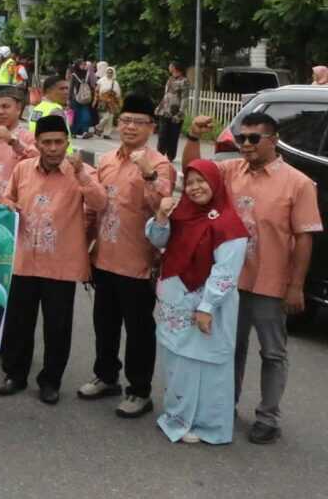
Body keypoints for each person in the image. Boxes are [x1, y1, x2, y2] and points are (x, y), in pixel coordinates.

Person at [183, 111, 323, 444]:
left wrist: (296, 286)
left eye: (253, 139)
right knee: (231, 347)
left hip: (271, 284)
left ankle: (268, 417)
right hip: (230, 281)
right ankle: (223, 405)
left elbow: (304, 237)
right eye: (241, 138)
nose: (245, 145)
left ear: (273, 140)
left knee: (273, 353)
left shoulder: (298, 183)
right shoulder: (231, 171)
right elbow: (192, 174)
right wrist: (192, 137)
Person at [0, 115, 107, 405]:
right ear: (38, 144)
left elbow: (100, 203)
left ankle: (50, 381)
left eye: (59, 142)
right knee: (19, 323)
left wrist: (81, 174)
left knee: (57, 328)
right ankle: (15, 375)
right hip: (25, 260)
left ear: (67, 143)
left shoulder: (80, 171)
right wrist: (8, 204)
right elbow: (7, 197)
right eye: (47, 142)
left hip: (62, 264)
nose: (54, 148)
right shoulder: (22, 169)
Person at [81, 93, 176, 418]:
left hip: (138, 262)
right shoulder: (106, 160)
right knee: (104, 323)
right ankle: (106, 376)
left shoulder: (160, 164)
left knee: (138, 331)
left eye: (139, 122)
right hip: (104, 257)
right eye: (125, 120)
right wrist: (85, 248)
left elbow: (161, 209)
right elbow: (94, 209)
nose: (130, 127)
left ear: (152, 127)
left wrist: (148, 173)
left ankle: (140, 390)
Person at [146, 160, 249, 444]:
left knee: (205, 363)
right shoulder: (180, 212)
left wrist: (206, 307)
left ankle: (205, 424)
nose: (195, 188)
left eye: (201, 181)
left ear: (215, 183)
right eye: (190, 182)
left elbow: (226, 271)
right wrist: (162, 217)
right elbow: (157, 240)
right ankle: (178, 416)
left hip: (208, 306)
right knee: (177, 362)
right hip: (176, 302)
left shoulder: (229, 223)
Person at [154, 62, 190, 162]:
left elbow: (185, 98)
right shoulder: (170, 79)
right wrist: (159, 106)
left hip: (175, 112)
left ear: (175, 68)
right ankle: (159, 154)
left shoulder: (184, 81)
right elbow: (166, 95)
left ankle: (170, 156)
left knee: (173, 135)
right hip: (164, 111)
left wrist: (181, 113)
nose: (169, 67)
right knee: (162, 134)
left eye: (171, 65)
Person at [29, 75, 70, 142]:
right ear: (49, 91)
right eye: (61, 89)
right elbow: (58, 141)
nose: (66, 92)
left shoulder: (38, 108)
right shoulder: (56, 110)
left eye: (67, 88)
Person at [95, 65, 122, 139]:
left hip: (111, 102)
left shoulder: (115, 82)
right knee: (105, 117)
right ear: (106, 72)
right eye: (108, 72)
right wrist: (96, 100)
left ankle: (106, 134)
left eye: (111, 72)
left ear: (113, 73)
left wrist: (119, 104)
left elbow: (118, 94)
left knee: (110, 118)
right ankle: (98, 127)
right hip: (103, 101)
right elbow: (97, 91)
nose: (109, 73)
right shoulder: (101, 80)